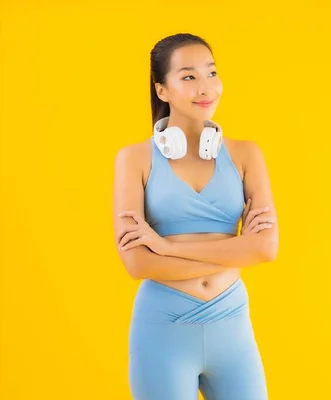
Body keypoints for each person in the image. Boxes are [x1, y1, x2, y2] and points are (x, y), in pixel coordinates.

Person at [112, 32, 278, 400]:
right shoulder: (134, 159)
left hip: (232, 326)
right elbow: (138, 264)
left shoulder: (246, 155)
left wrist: (166, 248)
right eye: (188, 77)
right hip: (162, 331)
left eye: (211, 73)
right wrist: (236, 248)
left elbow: (266, 248)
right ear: (162, 90)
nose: (206, 88)